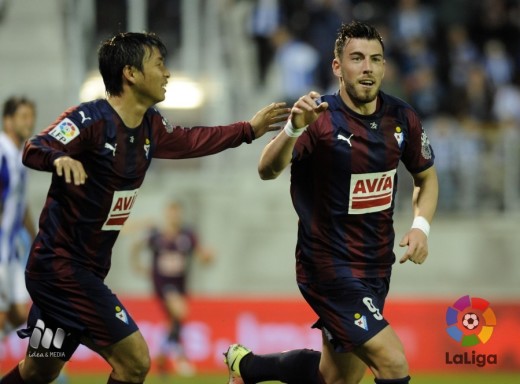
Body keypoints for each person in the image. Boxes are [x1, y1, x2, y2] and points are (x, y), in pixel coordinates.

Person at [0, 31, 288, 384]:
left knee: (38, 371)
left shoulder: (151, 125)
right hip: (62, 272)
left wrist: (248, 130)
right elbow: (34, 146)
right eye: (160, 64)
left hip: (83, 271)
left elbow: (192, 140)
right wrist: (59, 159)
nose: (167, 73)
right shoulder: (90, 119)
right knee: (135, 361)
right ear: (130, 74)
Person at [224, 21, 438, 384]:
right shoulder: (319, 120)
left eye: (375, 59)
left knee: (336, 378)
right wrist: (293, 128)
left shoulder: (403, 118)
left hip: (376, 267)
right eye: (357, 58)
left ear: (384, 67)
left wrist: (421, 227)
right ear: (337, 66)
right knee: (393, 362)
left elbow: (426, 177)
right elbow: (266, 169)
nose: (367, 67)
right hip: (328, 266)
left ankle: (248, 367)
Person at [130, 200, 214, 377]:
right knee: (180, 311)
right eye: (171, 212)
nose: (174, 216)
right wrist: (137, 265)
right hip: (162, 283)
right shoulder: (156, 235)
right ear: (166, 214)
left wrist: (207, 257)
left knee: (173, 322)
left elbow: (201, 254)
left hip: (180, 284)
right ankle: (180, 358)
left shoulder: (187, 235)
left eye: (177, 213)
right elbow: (135, 246)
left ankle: (162, 357)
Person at [0, 97, 36, 343]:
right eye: (23, 116)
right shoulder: (2, 151)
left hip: (11, 251)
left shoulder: (18, 157)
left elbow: (20, 206)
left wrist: (36, 239)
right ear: (8, 121)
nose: (30, 121)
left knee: (19, 314)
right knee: (2, 315)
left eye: (31, 116)